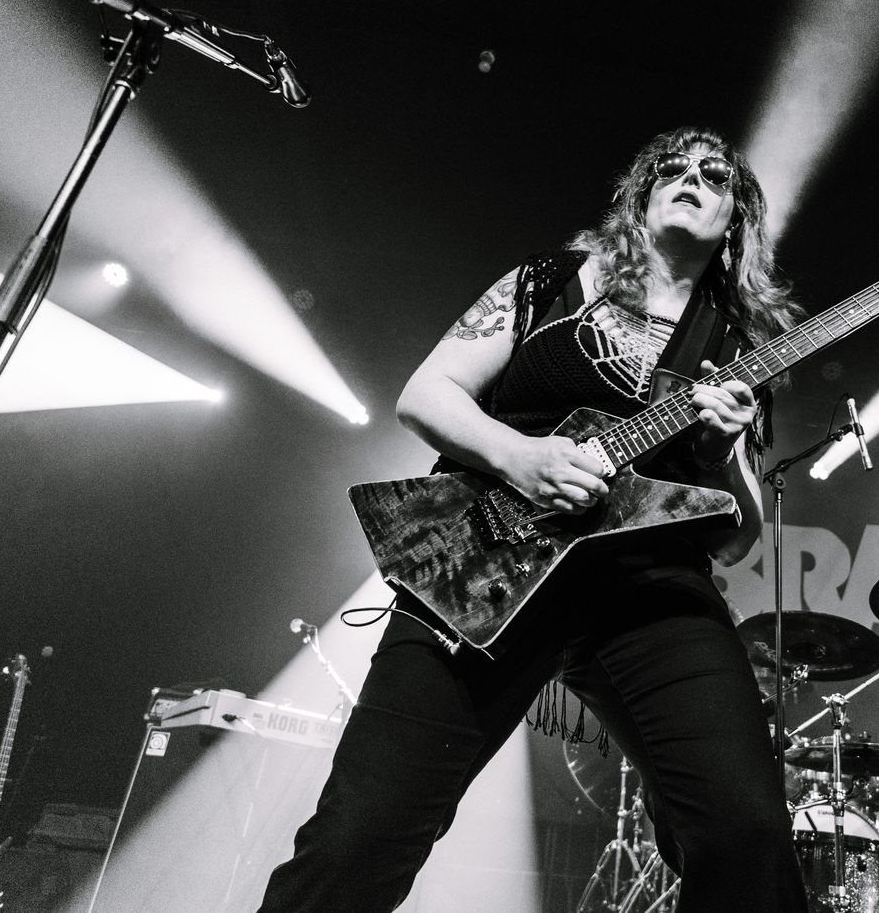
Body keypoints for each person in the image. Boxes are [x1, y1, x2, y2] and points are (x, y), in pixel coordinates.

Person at [255, 127, 810, 913]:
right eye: (671, 167)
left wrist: (721, 452)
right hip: (485, 557)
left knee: (746, 830)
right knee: (362, 835)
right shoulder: (549, 282)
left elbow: (736, 533)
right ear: (641, 193)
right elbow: (426, 394)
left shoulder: (738, 345)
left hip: (648, 587)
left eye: (714, 174)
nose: (690, 176)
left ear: (737, 218)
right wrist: (522, 457)